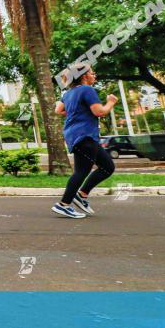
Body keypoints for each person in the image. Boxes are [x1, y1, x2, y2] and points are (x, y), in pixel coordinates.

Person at [52, 64, 118, 218]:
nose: (94, 75)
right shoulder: (87, 90)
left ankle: (81, 195)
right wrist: (111, 102)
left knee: (107, 166)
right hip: (85, 135)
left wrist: (79, 111)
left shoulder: (68, 94)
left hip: (78, 136)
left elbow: (58, 110)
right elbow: (99, 111)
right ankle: (63, 204)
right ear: (84, 76)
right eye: (92, 73)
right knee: (81, 171)